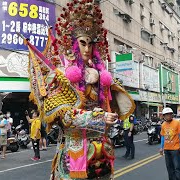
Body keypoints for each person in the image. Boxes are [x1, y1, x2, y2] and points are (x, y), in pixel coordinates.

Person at [24, 1, 135, 179]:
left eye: (91, 44)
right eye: (83, 43)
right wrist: (98, 117)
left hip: (101, 151)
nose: (87, 49)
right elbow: (66, 116)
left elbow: (111, 106)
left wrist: (109, 110)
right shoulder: (61, 76)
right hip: (75, 150)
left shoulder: (100, 78)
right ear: (73, 44)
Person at [160, 107, 180, 180]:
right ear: (164, 116)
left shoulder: (177, 123)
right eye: (166, 115)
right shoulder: (163, 125)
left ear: (172, 115)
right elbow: (162, 137)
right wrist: (161, 148)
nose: (168, 116)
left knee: (177, 167)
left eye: (170, 114)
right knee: (169, 167)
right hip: (167, 149)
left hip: (175, 149)